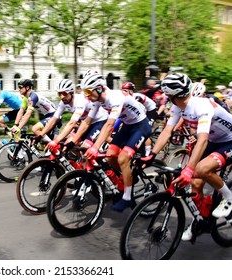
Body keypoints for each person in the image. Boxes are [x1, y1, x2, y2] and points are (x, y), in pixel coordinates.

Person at [141, 73, 232, 241]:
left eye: (166, 95)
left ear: (172, 95)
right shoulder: (178, 107)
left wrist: (189, 169)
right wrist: (152, 155)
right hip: (213, 140)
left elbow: (202, 139)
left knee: (201, 169)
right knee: (195, 184)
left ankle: (229, 198)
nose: (165, 98)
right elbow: (167, 131)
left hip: (228, 140)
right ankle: (201, 220)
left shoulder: (201, 106)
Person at [82, 73, 152, 212]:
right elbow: (87, 122)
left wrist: (95, 148)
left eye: (88, 91)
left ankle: (127, 198)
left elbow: (109, 125)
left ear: (100, 88)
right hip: (127, 126)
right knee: (109, 156)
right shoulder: (97, 101)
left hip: (140, 126)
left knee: (123, 158)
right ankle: (128, 177)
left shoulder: (115, 97)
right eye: (85, 92)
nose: (87, 95)